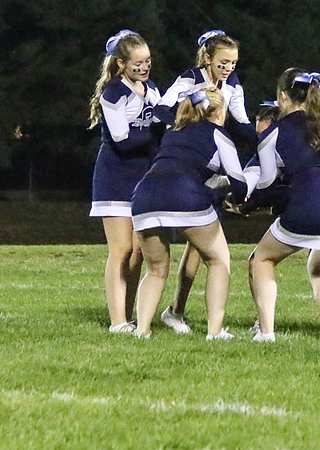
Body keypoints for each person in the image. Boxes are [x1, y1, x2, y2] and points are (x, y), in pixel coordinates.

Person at [243, 70, 320, 343]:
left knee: (262, 259)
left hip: (311, 205)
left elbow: (266, 183)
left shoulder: (273, 133)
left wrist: (247, 204)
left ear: (283, 97)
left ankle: (266, 332)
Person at [157, 29, 255, 334]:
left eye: (233, 63)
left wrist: (271, 137)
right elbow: (161, 109)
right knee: (208, 251)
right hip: (187, 169)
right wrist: (192, 132)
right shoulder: (189, 79)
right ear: (208, 58)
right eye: (223, 62)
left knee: (199, 248)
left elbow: (242, 125)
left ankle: (176, 310)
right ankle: (190, 317)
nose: (228, 69)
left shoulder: (233, 85)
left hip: (210, 168)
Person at [130, 85, 246, 339]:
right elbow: (239, 183)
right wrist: (224, 191)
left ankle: (141, 331)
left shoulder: (173, 132)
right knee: (218, 260)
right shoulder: (218, 133)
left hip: (144, 195)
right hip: (184, 194)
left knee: (155, 269)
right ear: (218, 112)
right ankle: (215, 331)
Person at [88, 29, 162, 334]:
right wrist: (159, 129)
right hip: (115, 176)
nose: (144, 68)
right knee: (119, 250)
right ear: (121, 64)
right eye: (137, 63)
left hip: (143, 176)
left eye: (147, 62)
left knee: (138, 251)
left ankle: (129, 315)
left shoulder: (152, 88)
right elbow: (123, 140)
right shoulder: (113, 94)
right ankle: (117, 320)